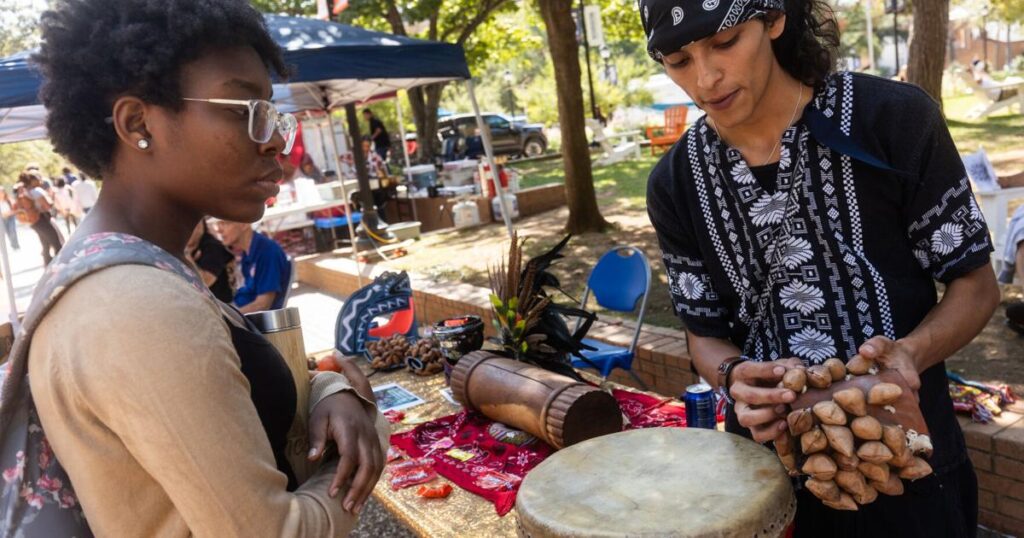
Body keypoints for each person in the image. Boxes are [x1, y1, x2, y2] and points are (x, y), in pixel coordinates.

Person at [2, 1, 387, 535]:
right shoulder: (132, 303)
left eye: (271, 113)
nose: (275, 138)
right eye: (241, 108)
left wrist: (331, 393)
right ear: (138, 123)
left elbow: (238, 394)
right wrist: (372, 431)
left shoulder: (131, 271)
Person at [640, 0, 998, 535]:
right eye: (678, 60)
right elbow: (704, 335)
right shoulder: (674, 183)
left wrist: (908, 355)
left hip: (910, 456)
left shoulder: (892, 119)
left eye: (724, 42)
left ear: (774, 19)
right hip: (766, 476)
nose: (706, 78)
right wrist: (734, 376)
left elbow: (976, 285)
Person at [215, 220, 292, 314]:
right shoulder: (247, 252)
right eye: (218, 224)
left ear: (244, 224)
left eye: (225, 223)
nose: (219, 230)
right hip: (238, 307)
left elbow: (263, 304)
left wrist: (228, 317)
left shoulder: (267, 252)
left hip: (251, 318)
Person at [18, 170, 64, 265]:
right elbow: (47, 206)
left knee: (46, 246)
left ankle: (48, 268)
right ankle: (62, 265)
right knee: (57, 244)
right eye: (38, 178)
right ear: (32, 180)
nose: (40, 181)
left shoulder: (26, 192)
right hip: (42, 219)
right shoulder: (37, 191)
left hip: (34, 222)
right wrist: (51, 198)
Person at [186, 219, 238, 303]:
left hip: (223, 307)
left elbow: (206, 281)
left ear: (199, 225)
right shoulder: (193, 247)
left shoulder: (212, 246)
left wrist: (186, 256)